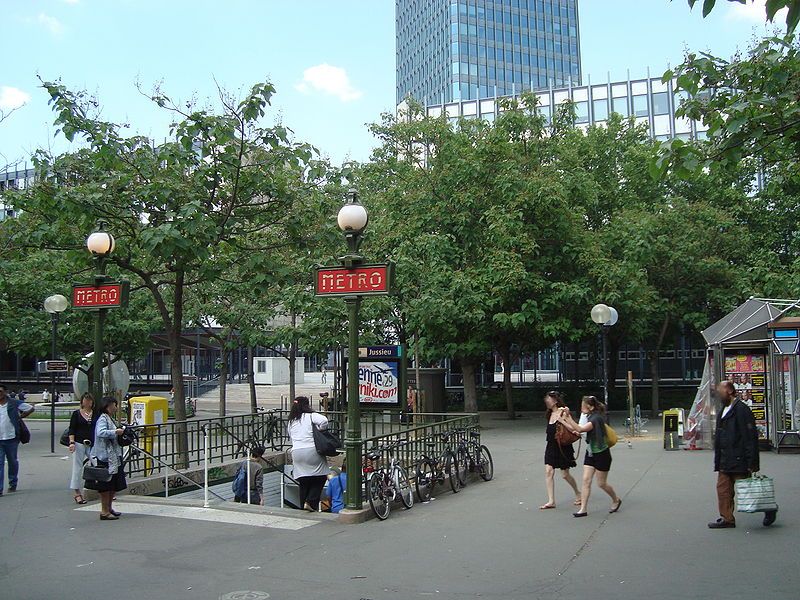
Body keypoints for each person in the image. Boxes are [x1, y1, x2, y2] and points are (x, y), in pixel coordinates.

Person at [708, 381, 771, 528]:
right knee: (723, 490)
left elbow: (750, 437)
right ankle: (727, 518)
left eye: (720, 391)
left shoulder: (742, 410)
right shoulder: (724, 409)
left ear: (729, 391)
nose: (718, 394)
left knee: (750, 492)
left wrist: (752, 462)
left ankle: (769, 508)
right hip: (725, 458)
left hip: (739, 458)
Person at [558, 395, 621, 517]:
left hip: (602, 454)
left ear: (591, 407)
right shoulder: (590, 417)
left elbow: (580, 429)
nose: (581, 408)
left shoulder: (596, 418)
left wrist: (568, 417)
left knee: (601, 483)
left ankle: (616, 499)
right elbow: (577, 429)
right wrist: (563, 420)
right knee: (586, 480)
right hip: (591, 452)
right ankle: (583, 509)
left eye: (583, 406)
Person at [287, 396, 330, 511]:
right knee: (321, 476)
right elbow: (324, 421)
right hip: (311, 450)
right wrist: (321, 430)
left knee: (303, 480)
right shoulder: (310, 416)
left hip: (296, 452)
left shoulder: (291, 421)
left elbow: (291, 435)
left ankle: (303, 505)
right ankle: (311, 501)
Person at [540, 391, 581, 510]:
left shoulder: (563, 412)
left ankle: (578, 493)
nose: (546, 401)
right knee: (548, 471)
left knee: (565, 474)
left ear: (555, 401)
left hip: (563, 447)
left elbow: (573, 428)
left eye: (549, 399)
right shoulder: (549, 414)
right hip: (551, 445)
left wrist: (562, 420)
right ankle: (551, 501)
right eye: (546, 399)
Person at [89, 397, 127, 520]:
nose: (116, 408)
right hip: (105, 457)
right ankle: (104, 511)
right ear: (108, 406)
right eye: (114, 405)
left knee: (113, 485)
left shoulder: (110, 418)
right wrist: (115, 432)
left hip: (113, 456)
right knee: (106, 485)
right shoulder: (102, 419)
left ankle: (109, 508)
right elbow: (101, 432)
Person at [0, 383, 35, 496]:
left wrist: (21, 416)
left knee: (12, 461)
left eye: (0, 391)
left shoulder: (13, 403)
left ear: (5, 392)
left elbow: (30, 408)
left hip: (11, 438)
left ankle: (13, 482)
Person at [68, 393, 96, 505]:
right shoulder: (76, 414)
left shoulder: (95, 414)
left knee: (98, 463)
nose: (88, 402)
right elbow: (72, 429)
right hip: (79, 442)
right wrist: (71, 442)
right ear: (82, 401)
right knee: (77, 468)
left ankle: (104, 490)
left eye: (90, 400)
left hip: (92, 444)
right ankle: (77, 493)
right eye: (86, 400)